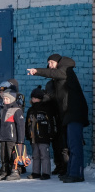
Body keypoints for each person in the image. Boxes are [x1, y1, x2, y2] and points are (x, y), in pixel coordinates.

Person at [28, 54, 89, 183]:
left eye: (50, 62)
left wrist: (37, 71)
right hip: (68, 114)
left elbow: (54, 73)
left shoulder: (66, 70)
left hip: (75, 113)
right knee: (71, 145)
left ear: (57, 62)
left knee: (75, 145)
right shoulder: (61, 76)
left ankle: (77, 174)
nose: (49, 65)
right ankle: (71, 172)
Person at [25, 86, 57, 180]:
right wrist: (28, 134)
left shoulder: (46, 110)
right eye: (32, 98)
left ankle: (46, 173)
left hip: (44, 136)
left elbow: (52, 122)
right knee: (35, 155)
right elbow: (28, 123)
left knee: (44, 155)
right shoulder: (31, 110)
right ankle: (36, 172)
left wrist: (51, 134)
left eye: (35, 98)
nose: (33, 99)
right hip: (34, 137)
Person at [0, 87, 25, 181]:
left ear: (11, 99)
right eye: (4, 98)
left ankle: (14, 171)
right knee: (3, 156)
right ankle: (4, 171)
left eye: (7, 98)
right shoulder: (2, 110)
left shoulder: (16, 110)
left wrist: (20, 140)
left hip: (12, 138)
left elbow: (20, 126)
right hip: (3, 137)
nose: (5, 100)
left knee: (12, 155)